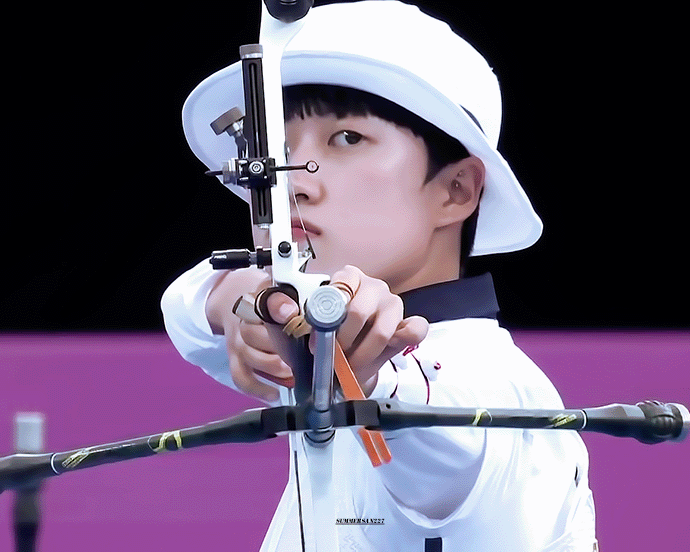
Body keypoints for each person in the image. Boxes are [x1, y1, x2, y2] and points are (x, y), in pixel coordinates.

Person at [162, 2, 596, 550]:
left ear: (456, 190)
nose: (294, 182)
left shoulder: (496, 381)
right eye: (279, 149)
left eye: (347, 139)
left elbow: (439, 428)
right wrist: (249, 298)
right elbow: (184, 306)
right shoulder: (313, 342)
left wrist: (372, 382)